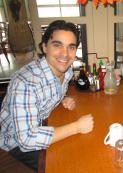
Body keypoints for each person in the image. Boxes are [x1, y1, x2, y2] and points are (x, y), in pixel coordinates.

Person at [0, 20, 94, 171]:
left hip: (43, 124)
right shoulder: (25, 83)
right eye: (57, 45)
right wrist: (76, 127)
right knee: (74, 162)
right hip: (14, 145)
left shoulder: (66, 71)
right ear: (44, 47)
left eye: (71, 47)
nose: (65, 54)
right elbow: (26, 139)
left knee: (85, 147)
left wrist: (63, 98)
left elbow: (47, 92)